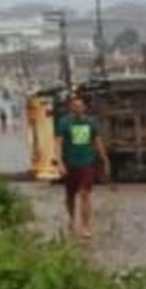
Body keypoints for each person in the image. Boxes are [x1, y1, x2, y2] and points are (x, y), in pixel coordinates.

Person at [55, 96, 110, 241]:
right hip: (70, 164)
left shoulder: (91, 122)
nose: (78, 108)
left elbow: (98, 141)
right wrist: (59, 162)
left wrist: (105, 160)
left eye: (80, 106)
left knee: (85, 194)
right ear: (71, 108)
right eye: (75, 106)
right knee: (70, 196)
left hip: (87, 163)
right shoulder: (64, 123)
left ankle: (85, 226)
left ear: (84, 108)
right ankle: (71, 219)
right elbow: (59, 144)